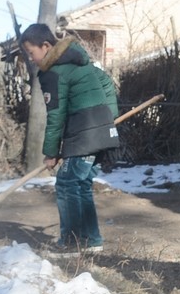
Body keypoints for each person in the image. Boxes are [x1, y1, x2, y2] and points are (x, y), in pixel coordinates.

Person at [19, 23, 119, 255]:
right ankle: (91, 241)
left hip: (84, 134)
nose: (31, 59)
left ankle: (71, 243)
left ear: (46, 46)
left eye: (31, 53)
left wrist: (51, 152)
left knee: (67, 184)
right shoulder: (78, 60)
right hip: (100, 132)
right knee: (80, 185)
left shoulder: (53, 72)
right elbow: (106, 82)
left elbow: (55, 115)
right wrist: (108, 118)